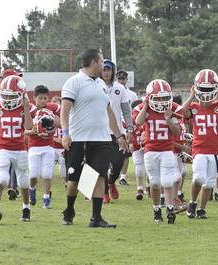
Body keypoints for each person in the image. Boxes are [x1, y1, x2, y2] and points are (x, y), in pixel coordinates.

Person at [61, 49, 127, 228]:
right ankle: (69, 209)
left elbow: (109, 112)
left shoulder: (101, 84)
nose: (104, 66)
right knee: (74, 180)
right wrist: (65, 134)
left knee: (99, 176)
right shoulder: (74, 82)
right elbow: (65, 109)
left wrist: (119, 135)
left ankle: (96, 218)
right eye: (101, 61)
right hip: (79, 139)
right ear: (93, 62)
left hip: (102, 139)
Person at [182, 69, 218, 219]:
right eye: (202, 89)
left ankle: (202, 209)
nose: (205, 92)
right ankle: (192, 202)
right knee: (198, 178)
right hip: (199, 148)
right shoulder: (194, 107)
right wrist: (191, 96)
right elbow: (182, 112)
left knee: (210, 183)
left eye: (208, 89)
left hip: (216, 149)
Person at [134, 79, 183, 224]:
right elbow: (138, 122)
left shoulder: (173, 108)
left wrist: (169, 120)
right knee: (155, 183)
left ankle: (169, 209)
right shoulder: (146, 108)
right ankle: (156, 209)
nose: (162, 101)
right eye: (158, 98)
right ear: (150, 97)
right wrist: (145, 106)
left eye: (164, 97)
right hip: (150, 151)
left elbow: (177, 132)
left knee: (167, 181)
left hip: (167, 150)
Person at [0, 75, 33, 224]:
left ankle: (26, 207)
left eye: (10, 95)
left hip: (20, 149)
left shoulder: (25, 106)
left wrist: (26, 107)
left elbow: (28, 127)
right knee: (2, 179)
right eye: (5, 94)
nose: (6, 98)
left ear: (21, 94)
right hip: (3, 148)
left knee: (24, 182)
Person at [100, 60, 131, 203]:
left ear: (113, 71)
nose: (106, 72)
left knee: (119, 161)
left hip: (118, 132)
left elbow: (126, 110)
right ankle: (105, 191)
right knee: (103, 163)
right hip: (99, 132)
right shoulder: (95, 86)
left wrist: (129, 127)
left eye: (108, 69)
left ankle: (112, 181)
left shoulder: (120, 88)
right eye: (103, 69)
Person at [25, 85, 60, 208]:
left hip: (48, 146)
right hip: (34, 146)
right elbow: (24, 131)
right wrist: (33, 131)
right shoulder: (30, 111)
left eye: (45, 98)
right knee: (33, 175)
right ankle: (32, 189)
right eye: (40, 98)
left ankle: (46, 199)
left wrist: (57, 123)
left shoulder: (53, 109)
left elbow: (62, 125)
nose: (43, 101)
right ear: (34, 98)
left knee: (47, 174)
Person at [115, 69, 136, 186]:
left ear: (126, 80)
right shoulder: (111, 91)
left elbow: (133, 111)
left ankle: (122, 176)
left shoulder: (132, 95)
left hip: (126, 125)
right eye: (119, 78)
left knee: (126, 152)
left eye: (123, 79)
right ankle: (111, 173)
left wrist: (130, 127)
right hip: (114, 125)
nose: (121, 80)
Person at [51, 96, 66, 182]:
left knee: (63, 171)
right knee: (49, 169)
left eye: (57, 104)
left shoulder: (65, 116)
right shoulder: (49, 116)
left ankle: (66, 183)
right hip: (52, 146)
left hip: (62, 146)